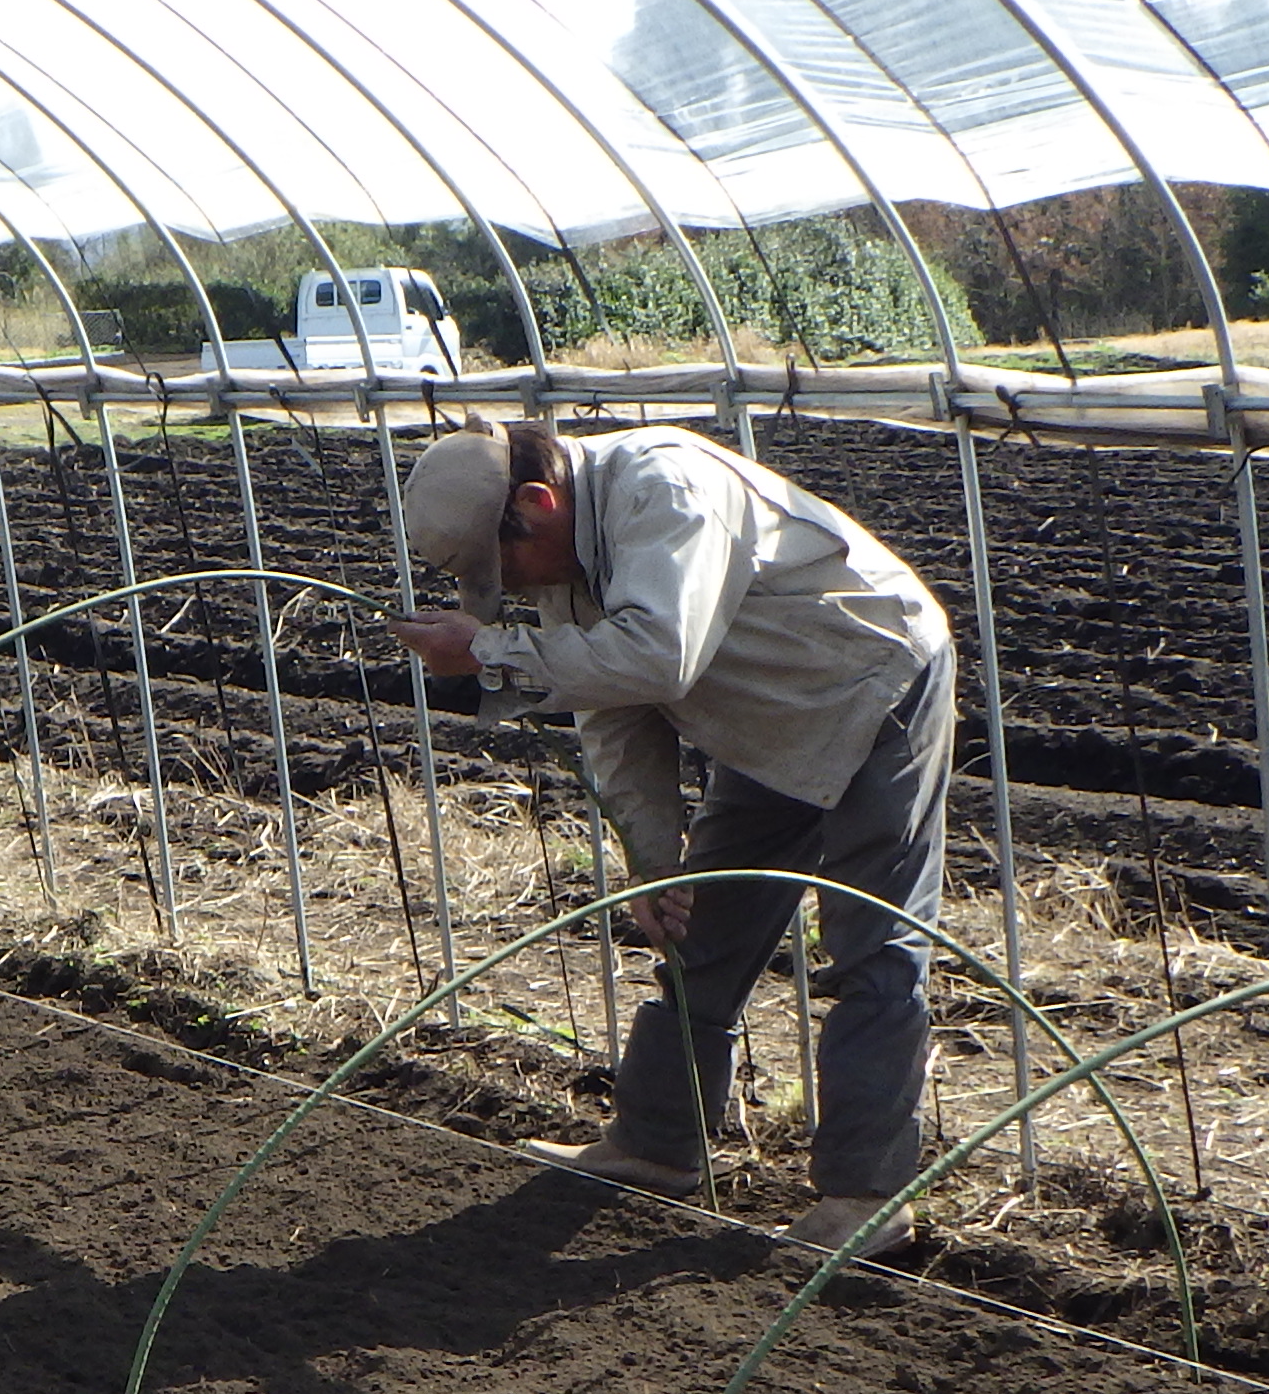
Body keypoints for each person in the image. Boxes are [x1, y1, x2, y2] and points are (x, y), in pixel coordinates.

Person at [391, 419, 957, 1257]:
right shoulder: (568, 555)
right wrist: (654, 863)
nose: (503, 594)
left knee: (871, 944)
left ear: (537, 505)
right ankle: (656, 1144)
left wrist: (492, 653)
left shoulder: (667, 490)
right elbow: (613, 716)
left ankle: (864, 1197)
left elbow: (659, 656)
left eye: (498, 569)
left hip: (870, 684)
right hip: (760, 714)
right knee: (704, 921)